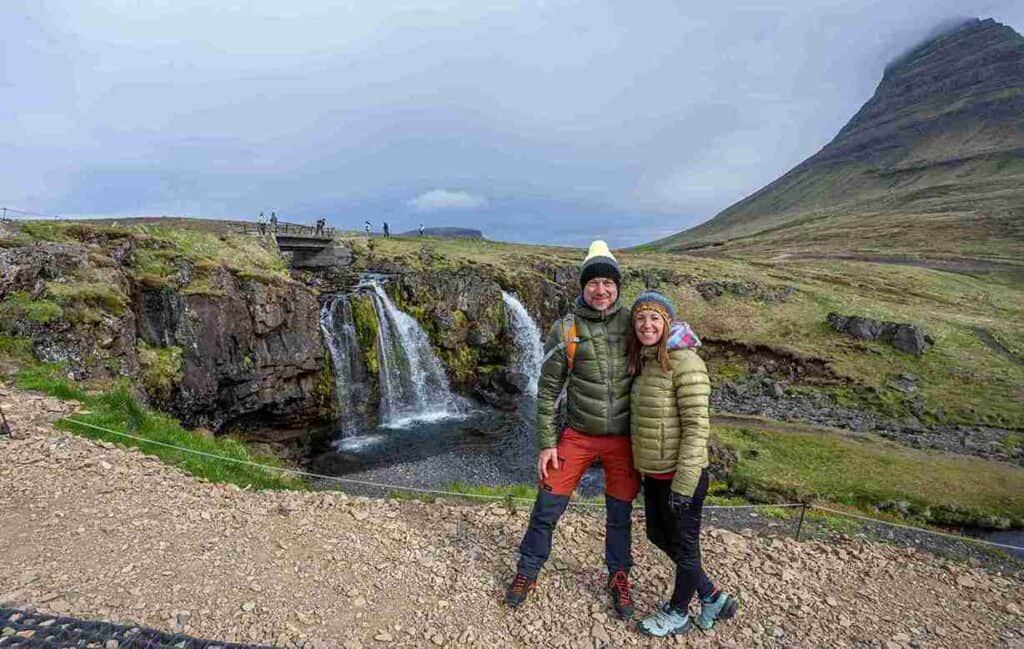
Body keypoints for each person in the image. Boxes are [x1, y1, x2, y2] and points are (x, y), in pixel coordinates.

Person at [506, 240, 639, 619]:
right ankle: (527, 572)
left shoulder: (634, 323)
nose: (601, 290)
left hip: (623, 441)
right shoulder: (565, 329)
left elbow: (665, 356)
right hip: (577, 436)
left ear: (617, 287)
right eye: (593, 282)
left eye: (608, 283)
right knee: (547, 507)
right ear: (583, 286)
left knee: (619, 514)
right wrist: (547, 444)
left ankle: (618, 577)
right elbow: (546, 393)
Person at [627, 290, 739, 637]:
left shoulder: (686, 362)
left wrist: (685, 483)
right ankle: (712, 597)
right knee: (658, 534)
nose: (647, 325)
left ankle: (677, 611)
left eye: (654, 318)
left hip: (682, 477)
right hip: (657, 474)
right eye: (640, 319)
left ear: (668, 322)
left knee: (685, 548)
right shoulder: (646, 359)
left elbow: (696, 428)